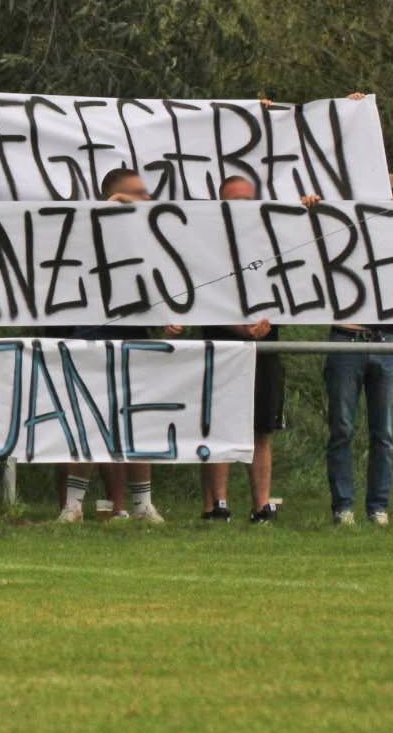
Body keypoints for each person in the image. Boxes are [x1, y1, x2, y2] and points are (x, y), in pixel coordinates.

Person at [58, 167, 184, 524]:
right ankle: (74, 504)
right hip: (90, 332)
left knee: (136, 418)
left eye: (144, 194)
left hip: (134, 335)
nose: (143, 200)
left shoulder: (148, 235)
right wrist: (115, 204)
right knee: (86, 417)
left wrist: (168, 317)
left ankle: (142, 505)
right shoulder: (90, 228)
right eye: (134, 194)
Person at [314, 173, 393, 526]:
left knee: (383, 432)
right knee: (342, 428)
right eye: (390, 193)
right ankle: (343, 507)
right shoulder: (341, 230)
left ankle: (378, 507)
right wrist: (314, 207)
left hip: (385, 340)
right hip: (346, 339)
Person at [200, 176, 280, 523]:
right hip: (221, 343)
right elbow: (201, 296)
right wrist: (240, 328)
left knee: (261, 426)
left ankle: (261, 505)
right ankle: (217, 503)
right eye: (234, 201)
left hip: (264, 345)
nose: (242, 207)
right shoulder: (206, 245)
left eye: (248, 200)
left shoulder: (272, 241)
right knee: (218, 423)